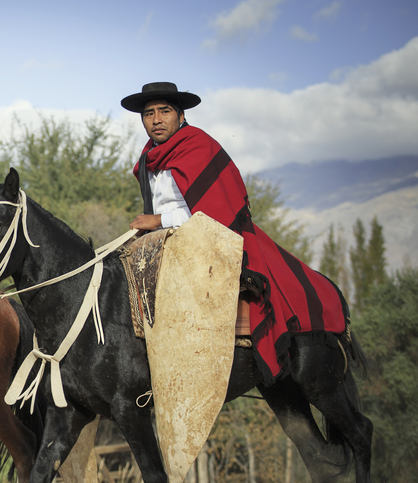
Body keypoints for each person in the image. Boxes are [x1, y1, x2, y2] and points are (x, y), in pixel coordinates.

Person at [121, 82, 346, 384]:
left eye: (165, 111)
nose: (156, 119)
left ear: (181, 115)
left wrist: (159, 219)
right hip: (164, 239)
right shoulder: (149, 158)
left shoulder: (199, 147)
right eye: (149, 114)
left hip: (206, 237)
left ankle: (198, 364)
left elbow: (214, 212)